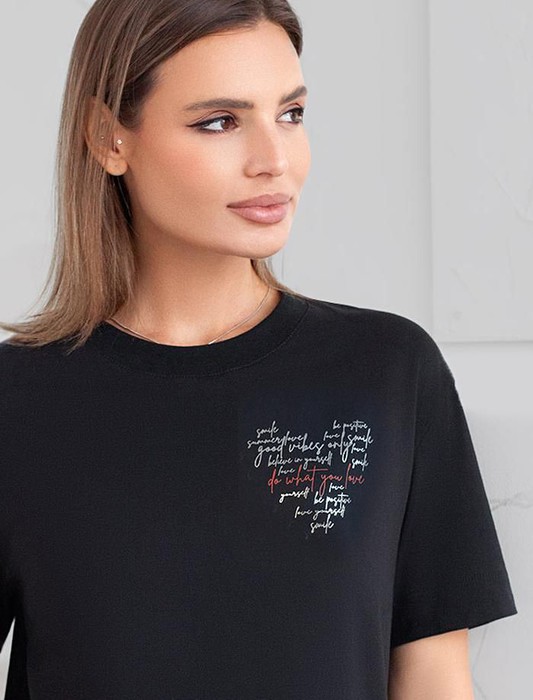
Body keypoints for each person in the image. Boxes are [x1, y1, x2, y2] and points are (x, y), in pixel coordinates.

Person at [0, 1, 517, 698]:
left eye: (291, 114)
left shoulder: (387, 371)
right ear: (107, 137)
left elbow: (433, 679)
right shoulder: (18, 401)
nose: (275, 161)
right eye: (220, 121)